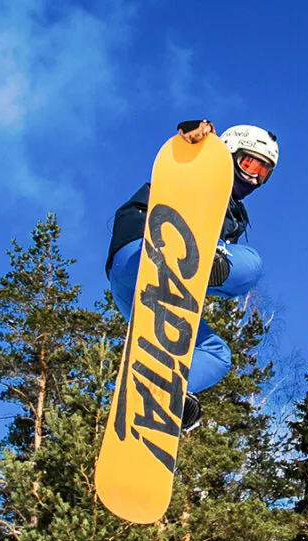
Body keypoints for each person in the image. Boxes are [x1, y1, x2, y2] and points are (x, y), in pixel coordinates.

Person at [105, 120, 278, 431]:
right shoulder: (203, 171)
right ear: (229, 153)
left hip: (139, 294)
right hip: (140, 252)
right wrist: (196, 139)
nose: (254, 177)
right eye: (249, 164)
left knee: (217, 354)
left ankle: (163, 391)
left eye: (263, 173)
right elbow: (182, 152)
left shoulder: (234, 217)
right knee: (251, 263)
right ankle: (193, 259)